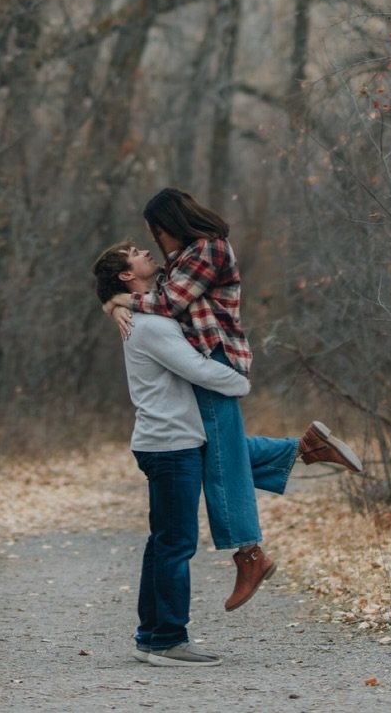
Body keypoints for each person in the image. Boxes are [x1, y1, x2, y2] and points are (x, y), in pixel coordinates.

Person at [103, 187, 362, 612]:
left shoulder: (210, 249)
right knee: (214, 451)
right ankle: (304, 449)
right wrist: (112, 304)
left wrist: (117, 300)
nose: (153, 244)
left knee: (219, 456)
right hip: (205, 356)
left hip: (215, 356)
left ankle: (250, 554)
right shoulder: (184, 258)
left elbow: (168, 302)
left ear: (169, 224)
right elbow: (144, 292)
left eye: (155, 233)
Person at [92, 239, 301, 667]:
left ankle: (151, 636)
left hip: (167, 441)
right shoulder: (151, 326)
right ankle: (167, 640)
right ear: (126, 275)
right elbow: (196, 369)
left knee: (164, 543)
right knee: (175, 544)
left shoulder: (148, 312)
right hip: (171, 445)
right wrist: (240, 383)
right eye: (134, 252)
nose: (145, 251)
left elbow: (174, 297)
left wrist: (111, 303)